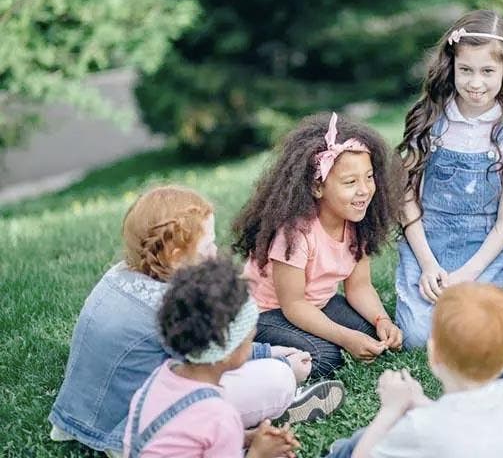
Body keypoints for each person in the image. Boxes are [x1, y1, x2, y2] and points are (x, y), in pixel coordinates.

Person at [49, 186, 343, 456]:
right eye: (208, 247)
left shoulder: (118, 276)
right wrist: (278, 361)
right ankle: (274, 410)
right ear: (176, 257)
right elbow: (215, 357)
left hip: (79, 413)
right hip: (134, 430)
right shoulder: (174, 305)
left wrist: (268, 351)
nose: (216, 253)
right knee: (277, 380)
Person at [394, 9, 503, 348]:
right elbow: (406, 197)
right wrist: (428, 265)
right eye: (466, 70)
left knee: (470, 334)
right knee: (417, 338)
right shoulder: (431, 120)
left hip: (481, 249)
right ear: (451, 67)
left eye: (488, 71)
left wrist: (467, 275)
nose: (476, 82)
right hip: (428, 244)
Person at [236, 112, 403, 378]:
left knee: (369, 333)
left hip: (317, 303)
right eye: (350, 182)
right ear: (317, 187)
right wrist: (344, 338)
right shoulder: (295, 233)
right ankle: (254, 353)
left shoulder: (357, 222)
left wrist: (381, 320)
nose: (364, 190)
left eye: (369, 177)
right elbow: (294, 305)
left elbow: (359, 287)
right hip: (267, 313)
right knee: (325, 357)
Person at [325, 283, 503, 458]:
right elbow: (463, 425)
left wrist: (390, 409)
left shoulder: (421, 427)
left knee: (358, 442)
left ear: (433, 354)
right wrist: (420, 401)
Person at [124, 257, 300, 458]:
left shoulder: (161, 376)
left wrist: (247, 438)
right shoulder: (221, 417)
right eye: (249, 336)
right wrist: (258, 454)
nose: (253, 338)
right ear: (226, 351)